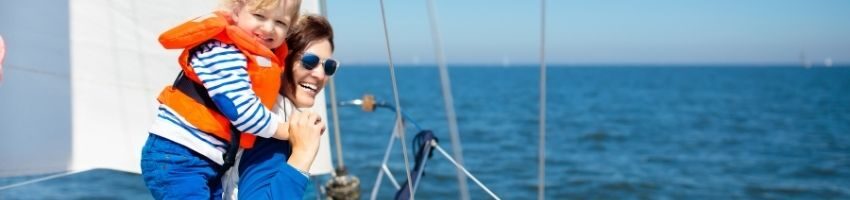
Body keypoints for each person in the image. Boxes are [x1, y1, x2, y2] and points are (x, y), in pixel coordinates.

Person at [140, 0, 324, 199]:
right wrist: (289, 131)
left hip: (204, 160)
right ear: (236, 10)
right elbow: (241, 110)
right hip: (179, 159)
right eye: (259, 16)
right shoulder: (222, 51)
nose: (269, 28)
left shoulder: (248, 55)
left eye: (280, 23)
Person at [234, 15, 338, 199]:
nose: (321, 75)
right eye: (310, 61)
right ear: (281, 59)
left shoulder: (254, 109)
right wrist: (302, 154)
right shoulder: (270, 126)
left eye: (329, 66)